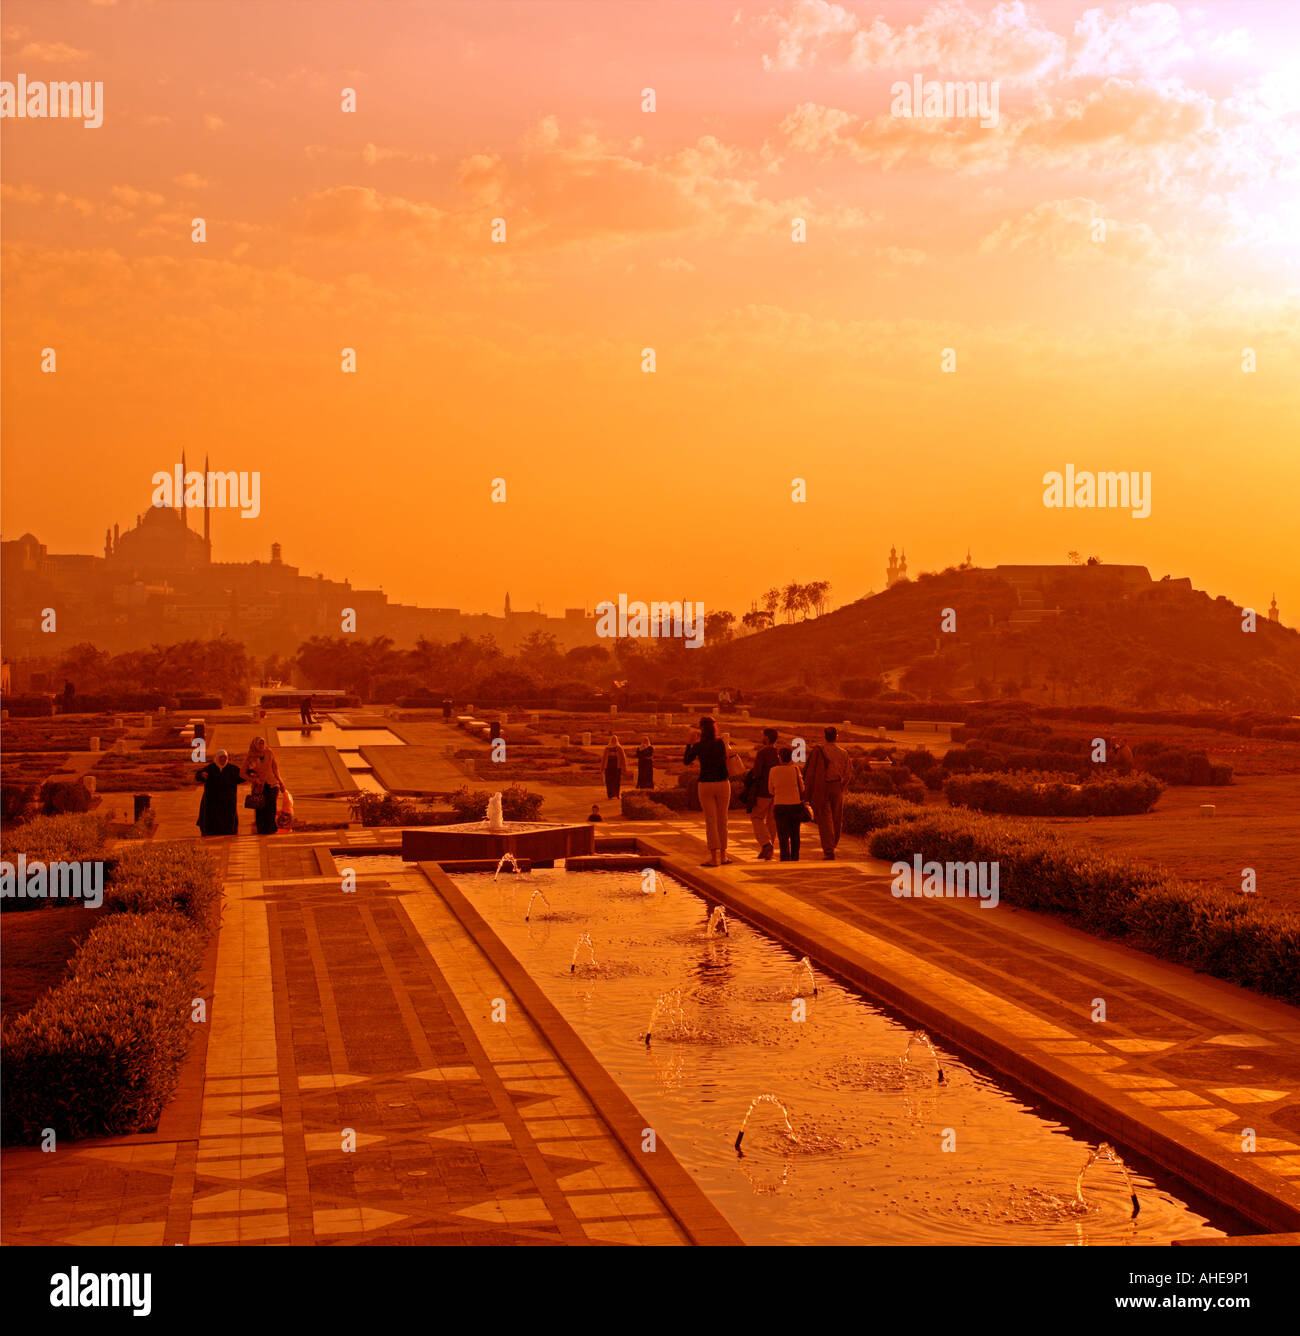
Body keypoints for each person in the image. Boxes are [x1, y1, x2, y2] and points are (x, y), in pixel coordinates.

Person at [684, 716, 735, 867]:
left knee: (711, 821)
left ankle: (714, 857)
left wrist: (690, 743)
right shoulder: (720, 743)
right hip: (722, 783)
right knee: (722, 820)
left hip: (706, 784)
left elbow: (687, 760)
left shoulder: (699, 746)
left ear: (701, 729)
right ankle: (724, 855)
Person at [804, 725, 855, 859]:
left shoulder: (819, 751)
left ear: (824, 736)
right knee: (837, 818)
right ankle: (833, 845)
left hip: (822, 787)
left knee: (825, 820)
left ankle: (828, 849)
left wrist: (807, 793)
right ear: (836, 737)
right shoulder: (843, 752)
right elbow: (848, 773)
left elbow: (811, 773)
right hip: (837, 787)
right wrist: (841, 786)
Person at [744, 727, 780, 861]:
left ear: (767, 737)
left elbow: (757, 773)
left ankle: (766, 845)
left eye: (763, 735)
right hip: (777, 791)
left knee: (756, 817)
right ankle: (769, 849)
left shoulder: (763, 753)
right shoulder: (779, 753)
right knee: (772, 821)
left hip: (763, 791)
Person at [768, 746, 807, 862]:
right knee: (795, 833)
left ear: (780, 758)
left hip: (780, 805)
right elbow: (802, 788)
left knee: (782, 834)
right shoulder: (795, 769)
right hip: (794, 805)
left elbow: (770, 790)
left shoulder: (773, 770)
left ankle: (784, 857)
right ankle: (795, 857)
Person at [195, 748, 243, 836]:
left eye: (225, 758)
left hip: (228, 801)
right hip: (212, 800)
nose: (223, 760)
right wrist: (201, 775)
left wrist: (252, 773)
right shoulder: (211, 768)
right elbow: (198, 775)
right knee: (212, 819)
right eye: (221, 758)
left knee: (227, 820)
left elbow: (242, 776)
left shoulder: (232, 769)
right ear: (217, 758)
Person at [244, 735, 284, 835]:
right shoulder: (251, 756)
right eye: (259, 743)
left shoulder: (269, 752)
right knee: (260, 809)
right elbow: (242, 773)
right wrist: (253, 779)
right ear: (255, 744)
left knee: (271, 808)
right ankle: (262, 831)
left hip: (272, 784)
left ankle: (271, 831)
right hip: (259, 787)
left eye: (263, 743)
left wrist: (280, 781)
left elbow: (275, 768)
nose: (261, 745)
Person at [600, 735, 629, 799]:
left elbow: (623, 758)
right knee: (609, 781)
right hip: (608, 767)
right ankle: (610, 795)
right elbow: (604, 758)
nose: (614, 740)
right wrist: (602, 768)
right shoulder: (607, 748)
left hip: (617, 767)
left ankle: (617, 794)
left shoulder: (619, 748)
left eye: (615, 739)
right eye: (612, 739)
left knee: (617, 781)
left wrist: (624, 767)